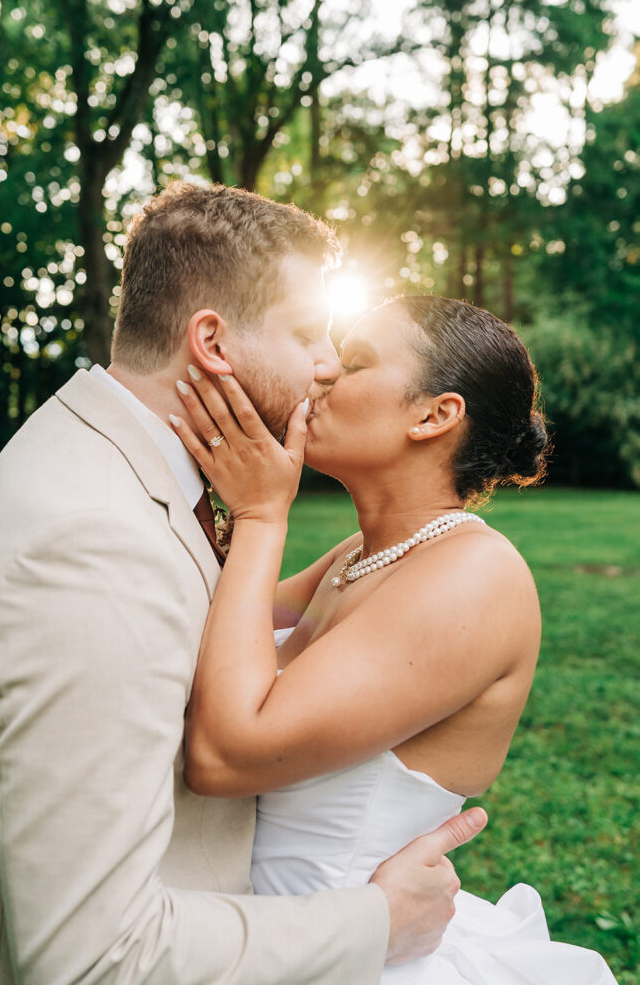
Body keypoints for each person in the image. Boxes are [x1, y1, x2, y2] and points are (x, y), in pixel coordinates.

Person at [0, 184, 486, 985]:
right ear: (211, 340)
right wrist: (379, 923)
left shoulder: (94, 455)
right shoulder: (92, 550)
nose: (326, 365)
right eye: (307, 334)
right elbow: (92, 959)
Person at [169, 293, 619, 984]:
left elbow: (223, 757)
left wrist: (261, 516)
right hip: (265, 936)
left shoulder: (476, 577)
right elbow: (213, 630)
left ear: (434, 416)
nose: (323, 371)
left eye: (355, 362)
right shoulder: (359, 556)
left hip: (354, 956)